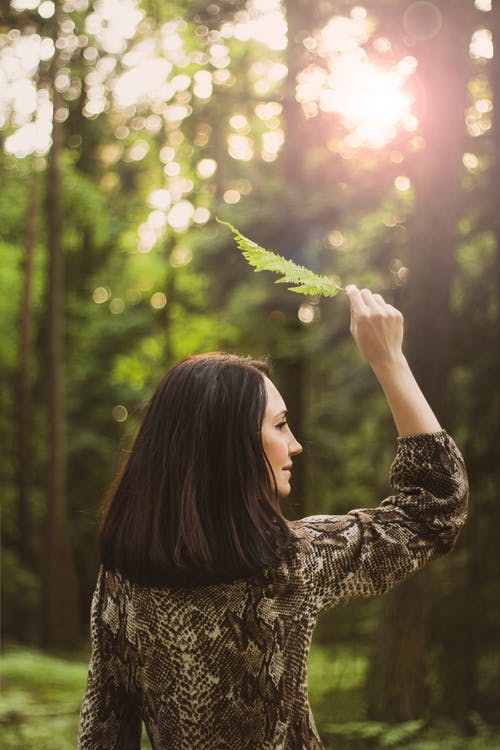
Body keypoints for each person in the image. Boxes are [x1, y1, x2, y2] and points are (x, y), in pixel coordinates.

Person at [78, 285, 468, 750]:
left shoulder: (124, 576)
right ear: (232, 444)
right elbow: (436, 508)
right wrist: (390, 361)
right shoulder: (291, 566)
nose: (295, 444)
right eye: (280, 425)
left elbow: (104, 731)